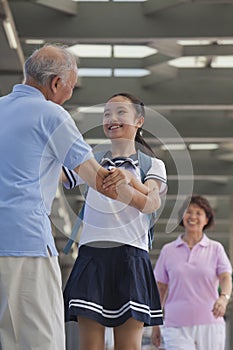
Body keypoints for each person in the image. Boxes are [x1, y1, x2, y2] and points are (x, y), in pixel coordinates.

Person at [0, 45, 129, 350]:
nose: (69, 95)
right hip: (25, 243)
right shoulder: (51, 113)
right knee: (42, 338)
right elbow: (99, 180)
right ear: (56, 84)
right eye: (70, 87)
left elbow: (31, 164)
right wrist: (127, 180)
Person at [63, 92, 168, 350]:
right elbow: (58, 174)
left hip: (131, 258)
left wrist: (131, 182)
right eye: (107, 113)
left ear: (139, 120)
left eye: (121, 112)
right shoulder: (88, 160)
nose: (112, 118)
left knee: (128, 347)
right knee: (90, 347)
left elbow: (152, 203)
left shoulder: (152, 164)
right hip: (92, 256)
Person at [152, 195, 232, 350]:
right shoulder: (168, 250)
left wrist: (224, 298)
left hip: (210, 321)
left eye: (198, 213)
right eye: (188, 212)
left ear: (206, 219)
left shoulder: (216, 248)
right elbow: (161, 288)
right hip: (175, 324)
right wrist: (155, 323)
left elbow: (225, 277)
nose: (192, 216)